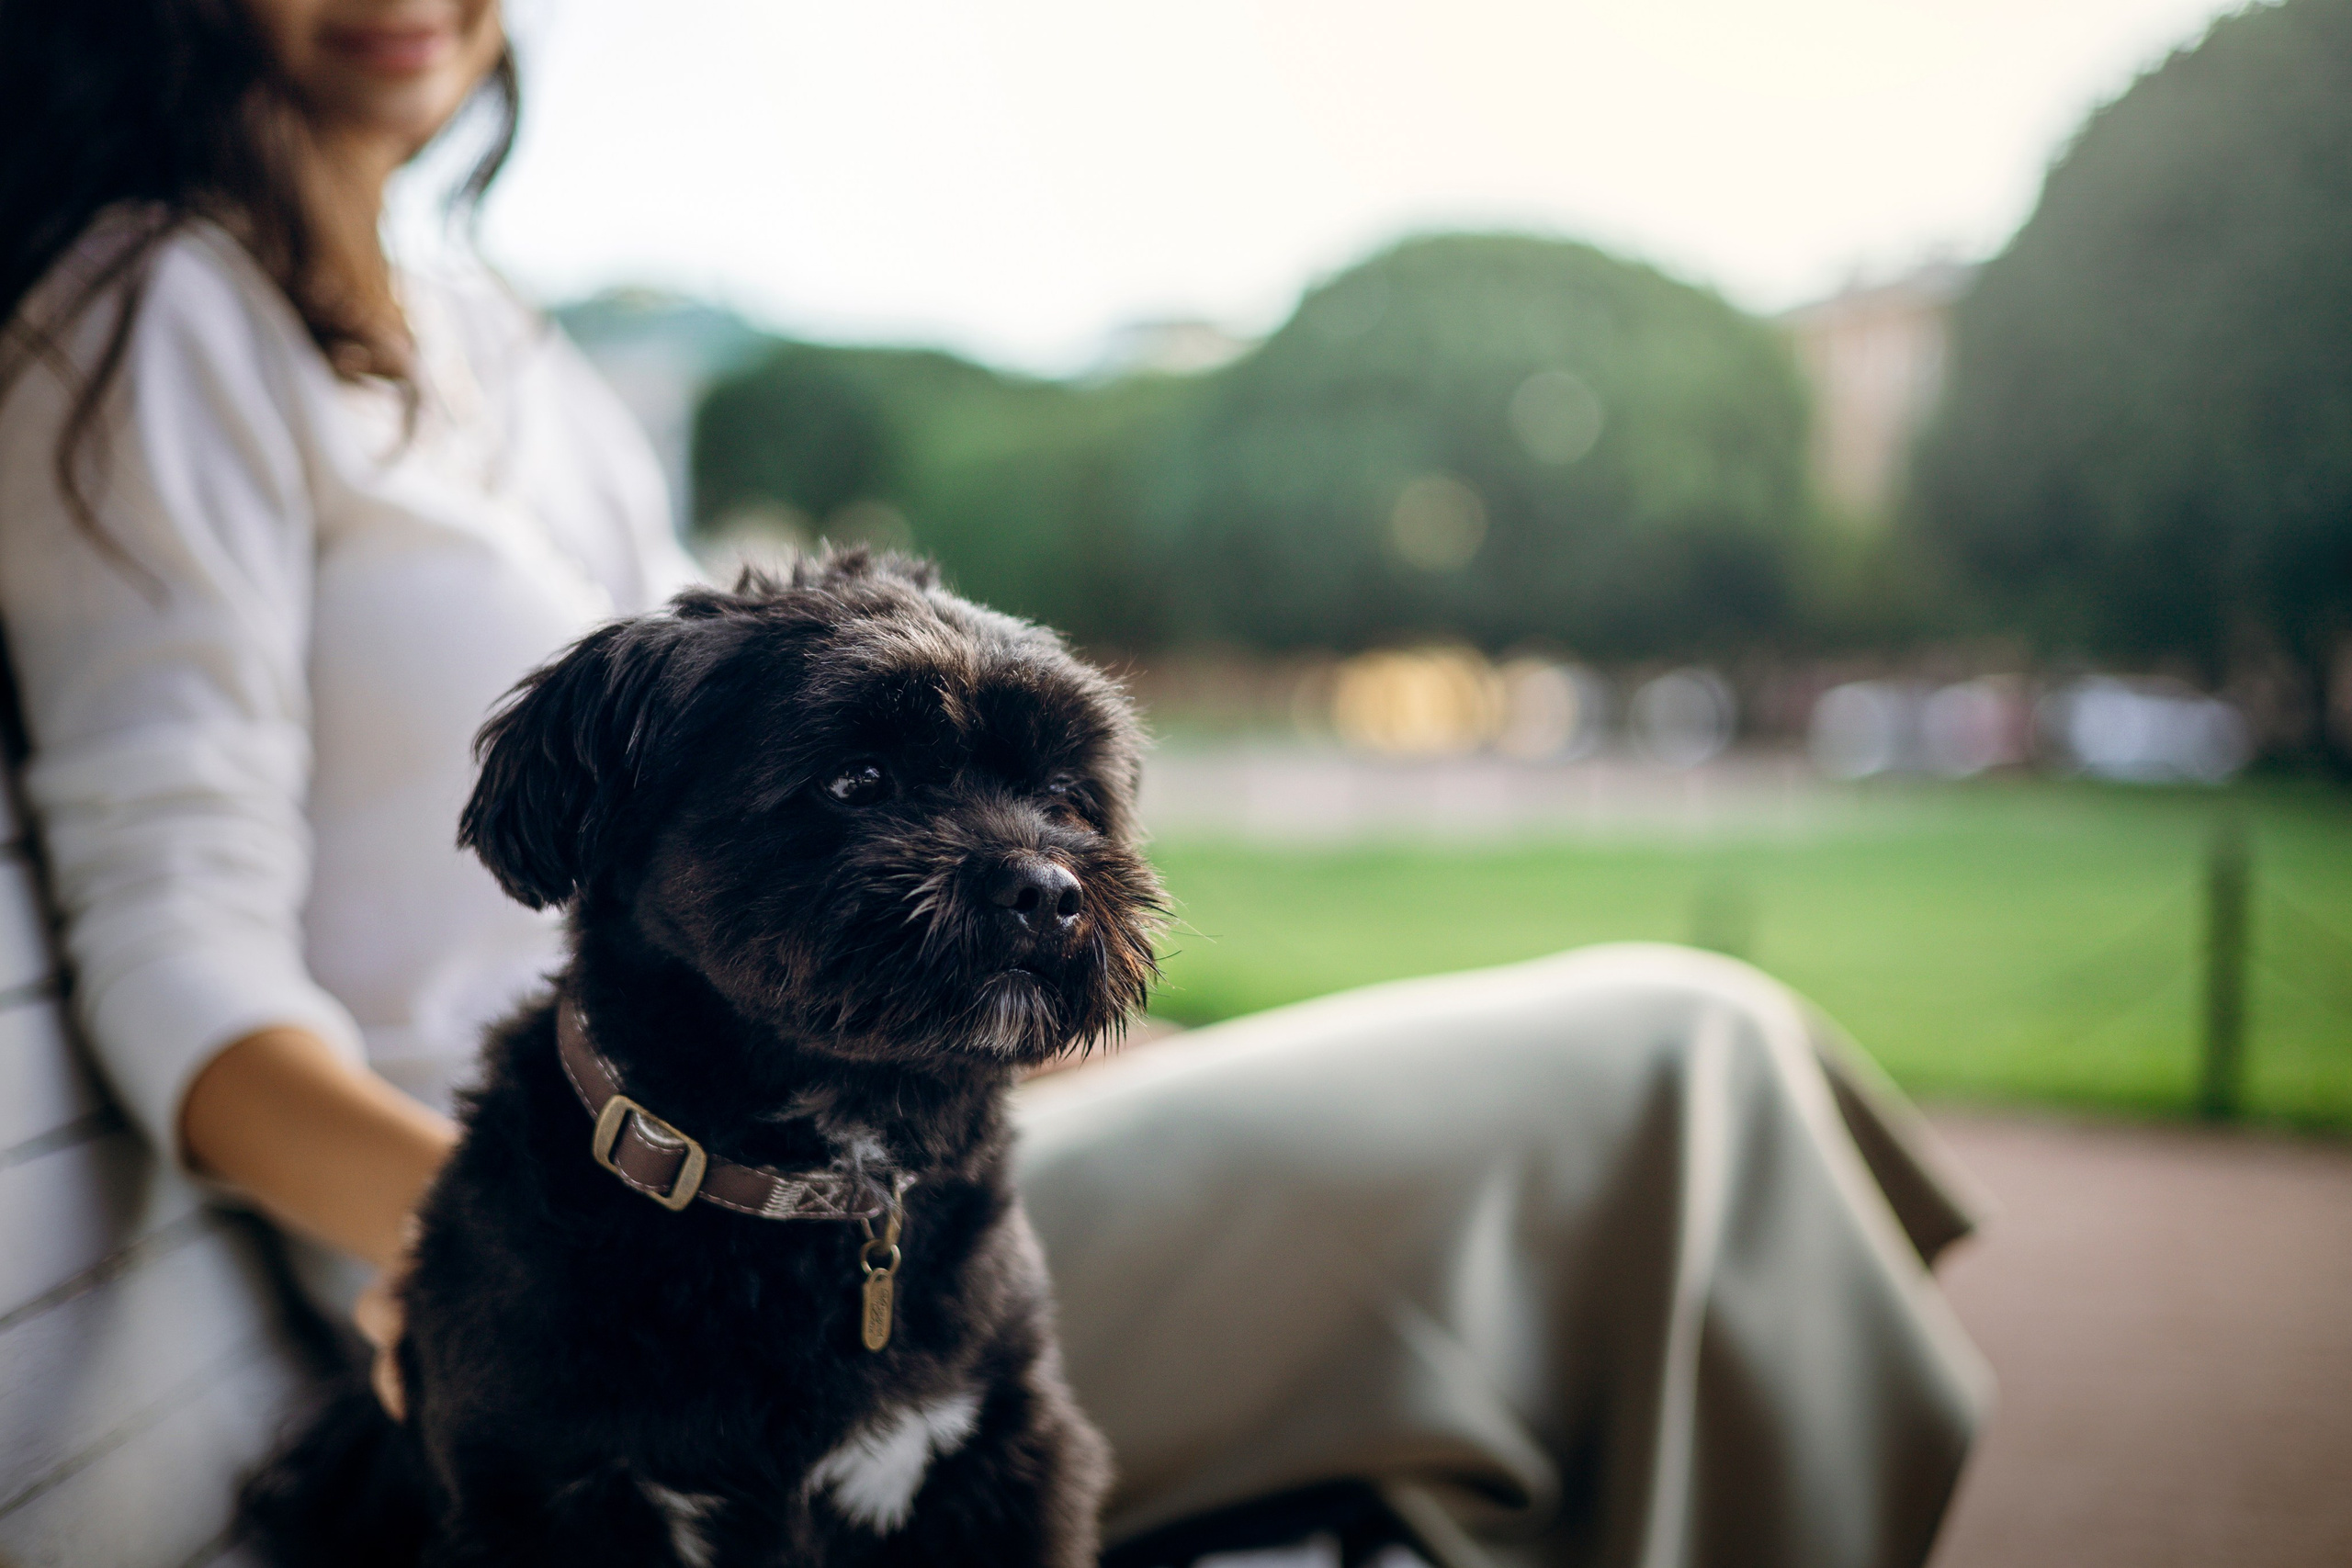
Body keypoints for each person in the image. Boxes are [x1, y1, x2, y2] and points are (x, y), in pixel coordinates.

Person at [0, 3, 1988, 1563]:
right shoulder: (155, 314)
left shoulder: (499, 341)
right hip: (595, 1238)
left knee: (1706, 1086)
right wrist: (496, 1249)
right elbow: (177, 955)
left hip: (904, 1186)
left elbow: (781, 743)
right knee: (1673, 1061)